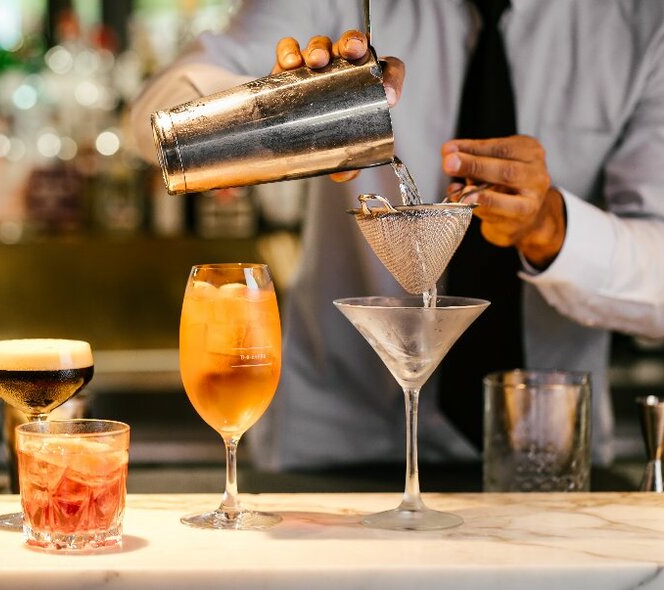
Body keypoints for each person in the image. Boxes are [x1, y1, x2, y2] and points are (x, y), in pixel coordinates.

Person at [130, 0, 664, 471]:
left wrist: (553, 228)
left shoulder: (640, 21)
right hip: (339, 444)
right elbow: (155, 115)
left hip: (545, 451)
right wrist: (266, 113)